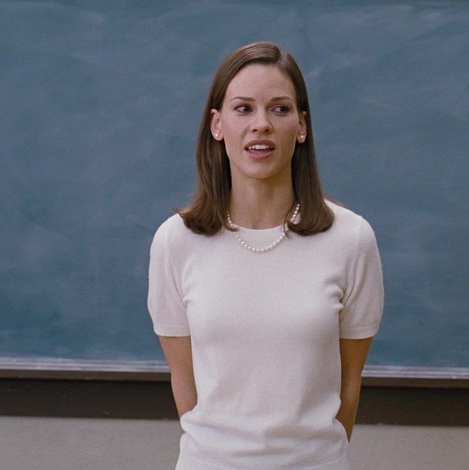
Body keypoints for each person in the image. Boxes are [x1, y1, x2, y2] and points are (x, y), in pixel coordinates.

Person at [148, 41, 384, 469]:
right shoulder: (176, 242)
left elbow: (349, 386)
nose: (261, 125)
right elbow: (185, 385)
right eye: (243, 109)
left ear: (302, 126)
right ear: (217, 125)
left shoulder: (351, 239)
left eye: (279, 109)